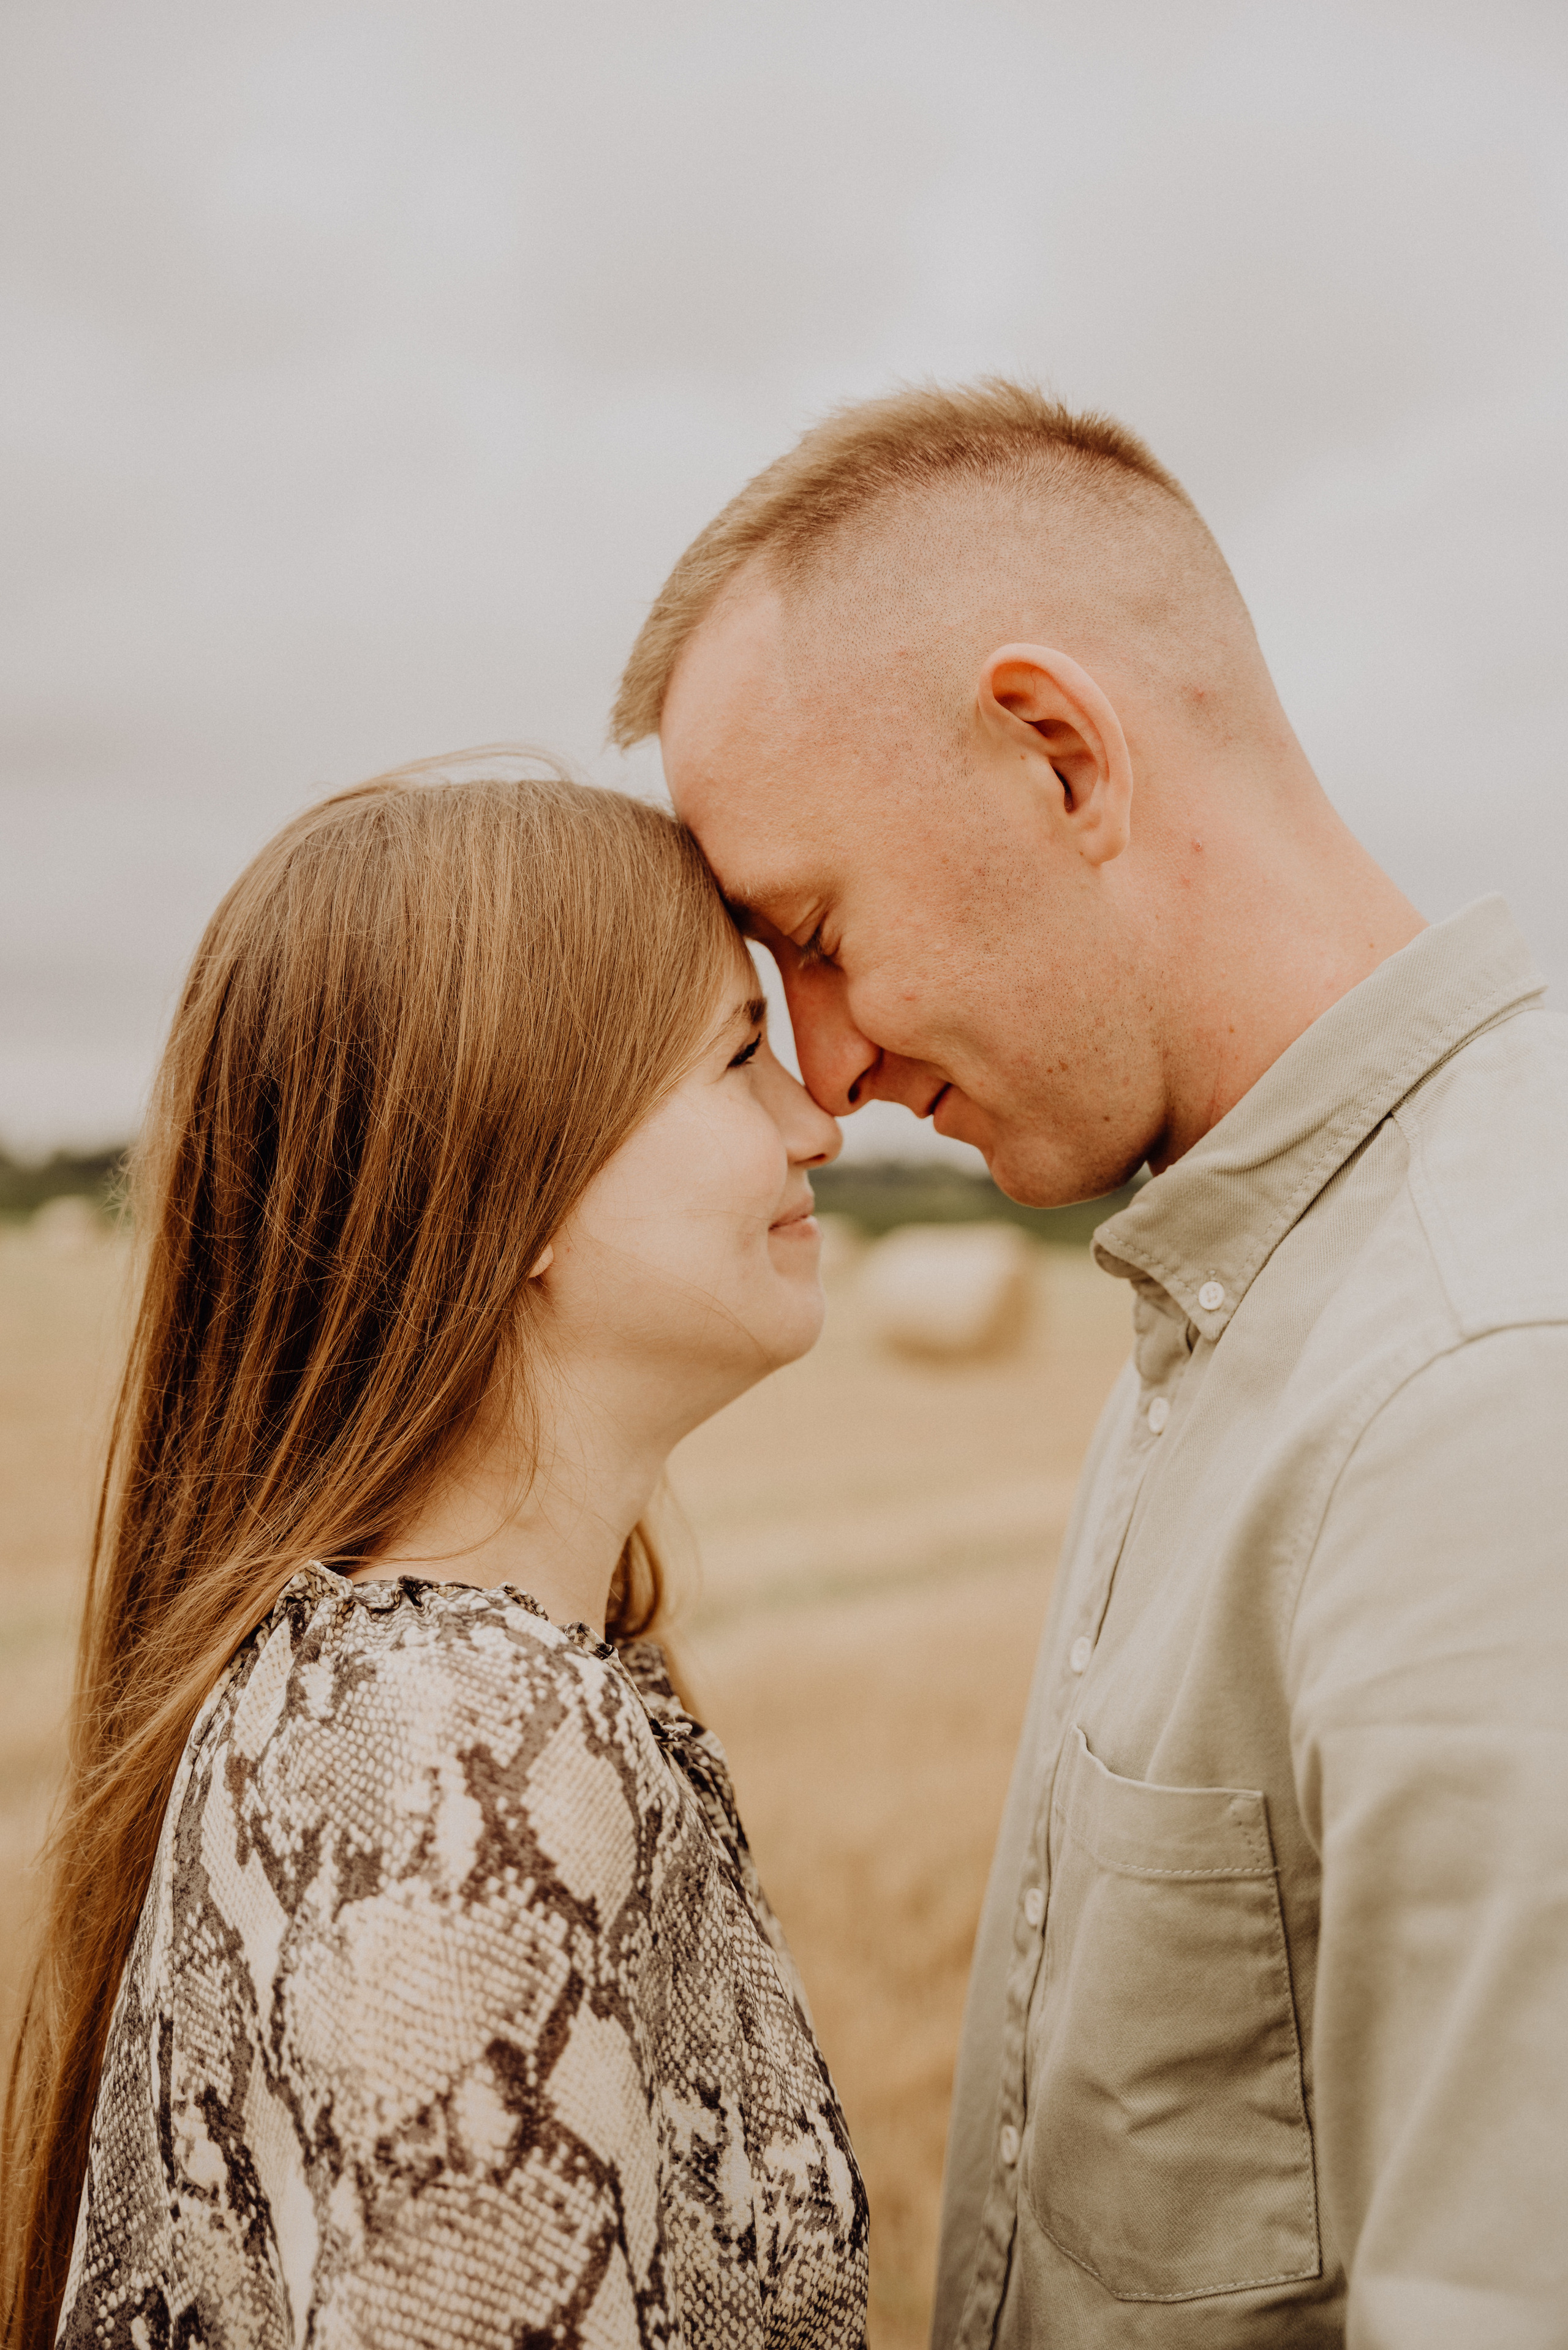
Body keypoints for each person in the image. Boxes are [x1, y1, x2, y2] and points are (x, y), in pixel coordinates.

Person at [611, 381, 1568, 2345]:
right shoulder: (1253, 1275)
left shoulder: (1480, 1390)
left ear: (1060, 759)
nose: (832, 1067)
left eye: (817, 928)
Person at [2, 761, 869, 2350]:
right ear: (515, 1167)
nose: (816, 1115)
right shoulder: (455, 1743)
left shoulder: (428, 1688)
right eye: (741, 1056)